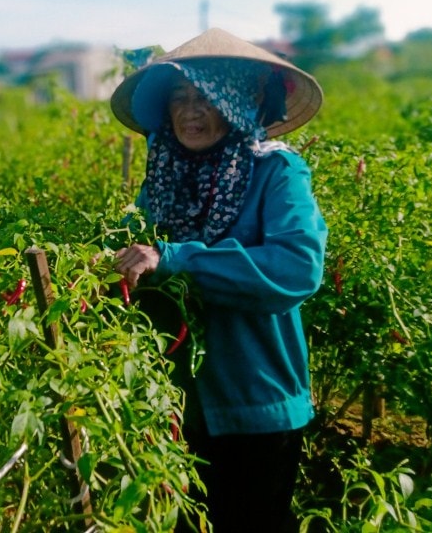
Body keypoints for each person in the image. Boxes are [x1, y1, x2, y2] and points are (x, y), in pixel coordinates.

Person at [110, 28, 328, 532]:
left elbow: (296, 266)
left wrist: (176, 259)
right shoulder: (164, 178)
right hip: (176, 401)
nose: (189, 111)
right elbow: (137, 250)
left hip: (256, 399)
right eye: (179, 98)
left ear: (239, 100)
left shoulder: (276, 173)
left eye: (206, 97)